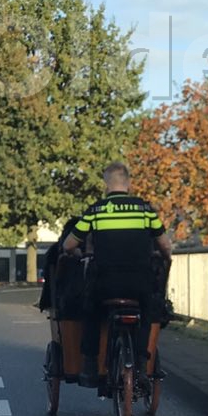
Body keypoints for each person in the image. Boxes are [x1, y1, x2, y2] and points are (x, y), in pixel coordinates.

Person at [64, 161, 172, 386]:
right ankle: (142, 366)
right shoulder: (144, 209)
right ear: (128, 183)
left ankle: (90, 366)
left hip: (106, 283)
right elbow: (165, 245)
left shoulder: (96, 210)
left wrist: (76, 252)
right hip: (139, 282)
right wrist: (166, 257)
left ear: (106, 185)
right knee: (147, 311)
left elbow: (68, 245)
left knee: (90, 309)